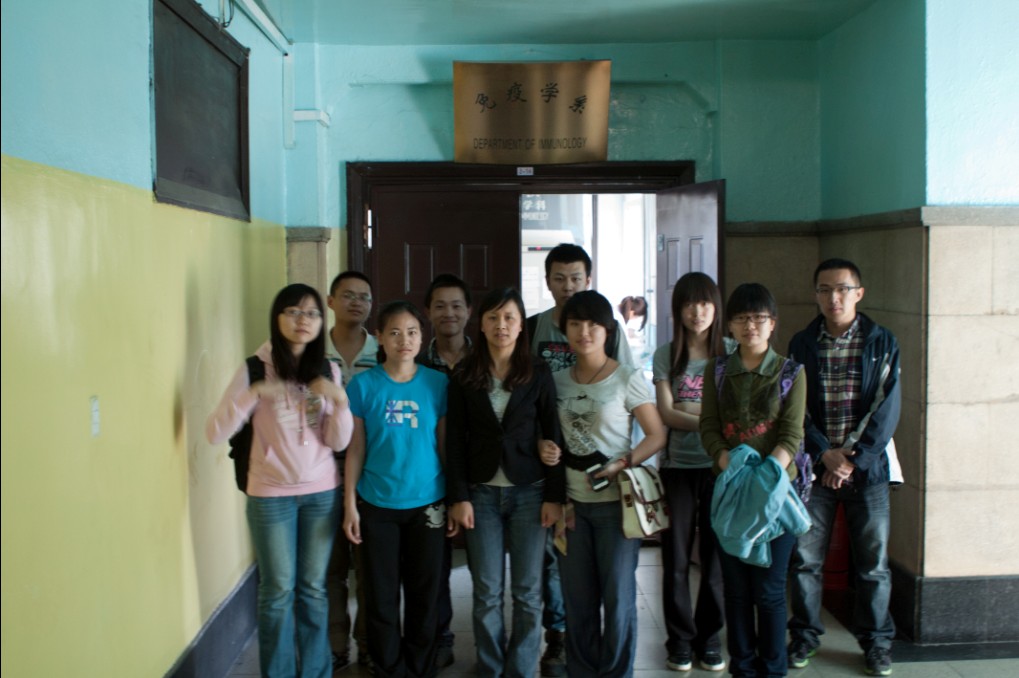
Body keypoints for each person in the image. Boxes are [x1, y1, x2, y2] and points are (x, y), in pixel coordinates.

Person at [206, 283, 354, 678]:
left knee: (313, 590)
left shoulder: (327, 370)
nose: (303, 320)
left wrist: (340, 401)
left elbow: (338, 441)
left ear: (321, 322)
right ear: (277, 318)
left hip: (321, 493)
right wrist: (255, 393)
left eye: (312, 313)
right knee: (277, 592)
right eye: (294, 311)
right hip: (270, 496)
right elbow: (215, 432)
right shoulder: (254, 369)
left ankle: (317, 672)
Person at [540, 290, 667, 678]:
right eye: (575, 324)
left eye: (593, 324)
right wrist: (544, 447)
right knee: (577, 600)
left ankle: (616, 672)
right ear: (565, 330)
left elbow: (656, 435)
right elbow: (545, 434)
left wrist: (622, 463)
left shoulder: (627, 378)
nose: (584, 332)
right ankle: (581, 670)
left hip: (617, 507)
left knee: (618, 599)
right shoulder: (554, 382)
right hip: (571, 508)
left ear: (608, 330)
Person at [525, 243, 635, 677]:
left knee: (614, 588)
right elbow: (530, 403)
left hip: (610, 486)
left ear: (587, 279)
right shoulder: (534, 329)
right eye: (559, 278)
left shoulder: (613, 338)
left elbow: (632, 403)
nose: (567, 285)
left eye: (575, 278)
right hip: (560, 483)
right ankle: (565, 647)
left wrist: (626, 461)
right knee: (568, 580)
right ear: (548, 282)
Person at [786, 259, 900, 677]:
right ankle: (804, 636)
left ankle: (876, 643)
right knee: (805, 560)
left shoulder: (882, 342)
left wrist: (851, 459)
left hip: (866, 472)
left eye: (842, 289)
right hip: (816, 472)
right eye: (824, 289)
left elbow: (886, 408)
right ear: (815, 294)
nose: (833, 297)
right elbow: (793, 406)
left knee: (873, 565)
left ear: (858, 293)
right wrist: (824, 454)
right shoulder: (802, 343)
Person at [446, 287, 565, 678]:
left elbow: (553, 434)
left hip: (530, 492)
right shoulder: (465, 374)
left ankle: (522, 669)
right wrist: (458, 496)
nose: (501, 325)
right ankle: (491, 667)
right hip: (480, 495)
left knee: (528, 592)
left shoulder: (538, 372)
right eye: (493, 317)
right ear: (480, 324)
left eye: (510, 317)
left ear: (521, 325)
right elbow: (455, 440)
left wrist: (554, 496)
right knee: (487, 592)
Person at [699, 283, 808, 678]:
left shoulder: (791, 373)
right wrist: (727, 462)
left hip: (776, 494)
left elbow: (791, 435)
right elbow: (709, 426)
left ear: (772, 323)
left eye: (759, 318)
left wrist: (763, 477)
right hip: (730, 493)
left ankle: (773, 670)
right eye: (742, 318)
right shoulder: (717, 370)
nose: (751, 326)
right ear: (730, 325)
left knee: (770, 590)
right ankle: (742, 669)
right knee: (737, 590)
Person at [343, 301, 449, 677]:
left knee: (425, 594)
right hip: (377, 504)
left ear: (422, 337)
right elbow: (356, 449)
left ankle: (420, 668)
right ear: (380, 338)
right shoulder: (363, 386)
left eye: (412, 332)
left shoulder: (438, 384)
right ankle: (388, 668)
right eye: (394, 332)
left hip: (428, 504)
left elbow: (444, 446)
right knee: (380, 595)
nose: (404, 340)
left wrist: (455, 499)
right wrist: (350, 504)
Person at [652, 273, 734, 673]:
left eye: (704, 303)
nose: (696, 312)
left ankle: (710, 639)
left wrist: (690, 412)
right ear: (678, 309)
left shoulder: (732, 353)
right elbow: (666, 414)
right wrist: (711, 419)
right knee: (676, 559)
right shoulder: (666, 355)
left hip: (722, 467)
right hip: (678, 468)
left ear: (715, 308)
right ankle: (680, 640)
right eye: (688, 304)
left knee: (716, 559)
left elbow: (735, 413)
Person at [418, 272, 473, 669]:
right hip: (431, 478)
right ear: (428, 312)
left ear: (469, 311)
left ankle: (498, 644)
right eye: (440, 306)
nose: (448, 313)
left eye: (456, 305)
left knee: (489, 571)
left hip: (483, 476)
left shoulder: (487, 360)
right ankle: (439, 637)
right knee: (433, 567)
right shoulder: (415, 363)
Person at [325, 270, 378, 670]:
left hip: (370, 473)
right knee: (331, 569)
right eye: (348, 295)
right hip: (321, 474)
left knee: (369, 568)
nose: (357, 302)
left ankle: (367, 643)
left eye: (364, 297)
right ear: (330, 301)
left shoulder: (383, 351)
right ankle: (336, 644)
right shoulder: (312, 351)